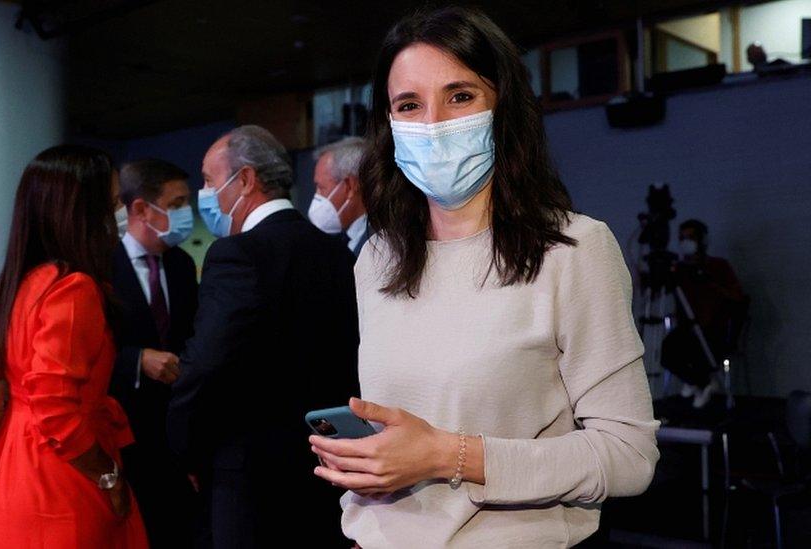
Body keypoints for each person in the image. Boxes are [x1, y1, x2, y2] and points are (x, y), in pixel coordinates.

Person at [307, 7, 659, 547]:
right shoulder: (377, 258)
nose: (434, 123)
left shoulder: (573, 250)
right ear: (389, 124)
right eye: (409, 105)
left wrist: (448, 455)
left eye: (460, 96)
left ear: (503, 105)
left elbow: (629, 455)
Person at [167, 125, 359, 548]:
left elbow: (205, 365)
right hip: (325, 469)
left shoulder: (238, 254)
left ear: (247, 180)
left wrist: (182, 448)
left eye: (210, 180)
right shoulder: (337, 253)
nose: (206, 194)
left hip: (249, 479)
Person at [0, 145, 147, 548]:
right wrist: (108, 475)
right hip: (61, 473)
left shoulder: (18, 283)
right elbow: (54, 405)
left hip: (11, 462)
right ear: (82, 210)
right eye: (113, 201)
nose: (119, 212)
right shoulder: (73, 288)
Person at [110, 159, 200, 547]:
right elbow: (82, 350)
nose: (186, 213)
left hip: (173, 433)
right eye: (176, 203)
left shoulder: (180, 264)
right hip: (123, 429)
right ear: (141, 210)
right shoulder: (100, 265)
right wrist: (136, 360)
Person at [663, 219, 747, 408]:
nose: (686, 242)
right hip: (687, 329)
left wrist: (711, 283)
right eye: (682, 238)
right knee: (668, 351)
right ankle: (699, 383)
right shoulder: (680, 270)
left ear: (702, 240)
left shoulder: (719, 266)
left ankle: (702, 386)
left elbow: (737, 297)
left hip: (714, 329)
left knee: (699, 351)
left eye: (691, 238)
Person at [308, 137, 370, 256]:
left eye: (321, 187)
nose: (317, 196)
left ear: (350, 186)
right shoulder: (337, 241)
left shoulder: (382, 242)